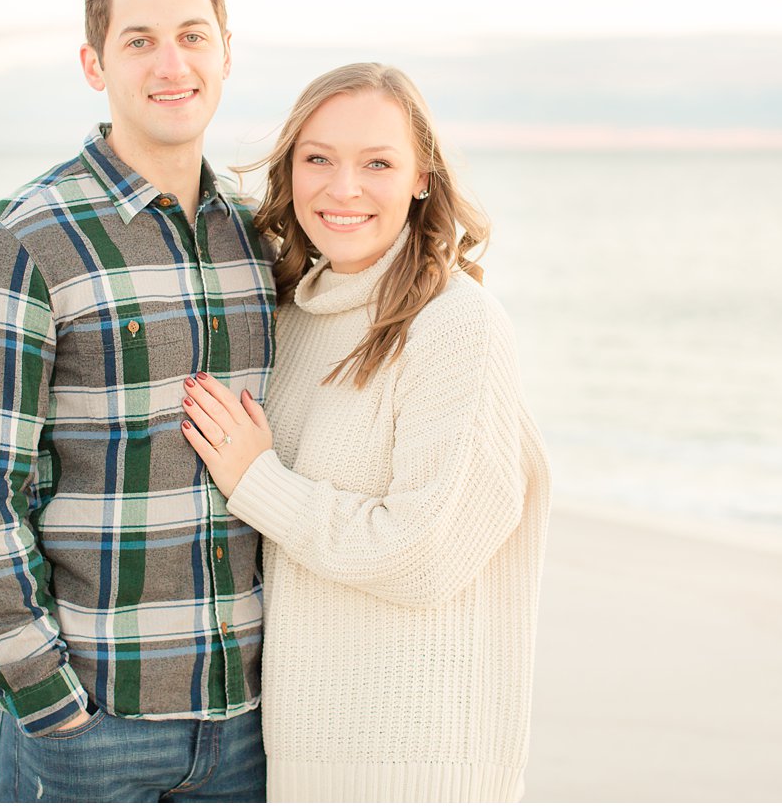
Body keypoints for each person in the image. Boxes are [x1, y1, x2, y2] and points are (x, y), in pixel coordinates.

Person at [0, 0, 274, 803]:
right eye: (140, 39)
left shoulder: (259, 237)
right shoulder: (19, 243)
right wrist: (46, 699)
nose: (172, 62)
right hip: (93, 727)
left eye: (194, 35)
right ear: (95, 62)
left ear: (226, 52)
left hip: (250, 723)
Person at [180, 62, 551, 803]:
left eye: (377, 162)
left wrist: (259, 483)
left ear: (421, 178)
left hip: (416, 766)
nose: (342, 188)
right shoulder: (292, 313)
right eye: (318, 158)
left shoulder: (455, 324)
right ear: (290, 170)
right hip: (301, 754)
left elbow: (426, 554)